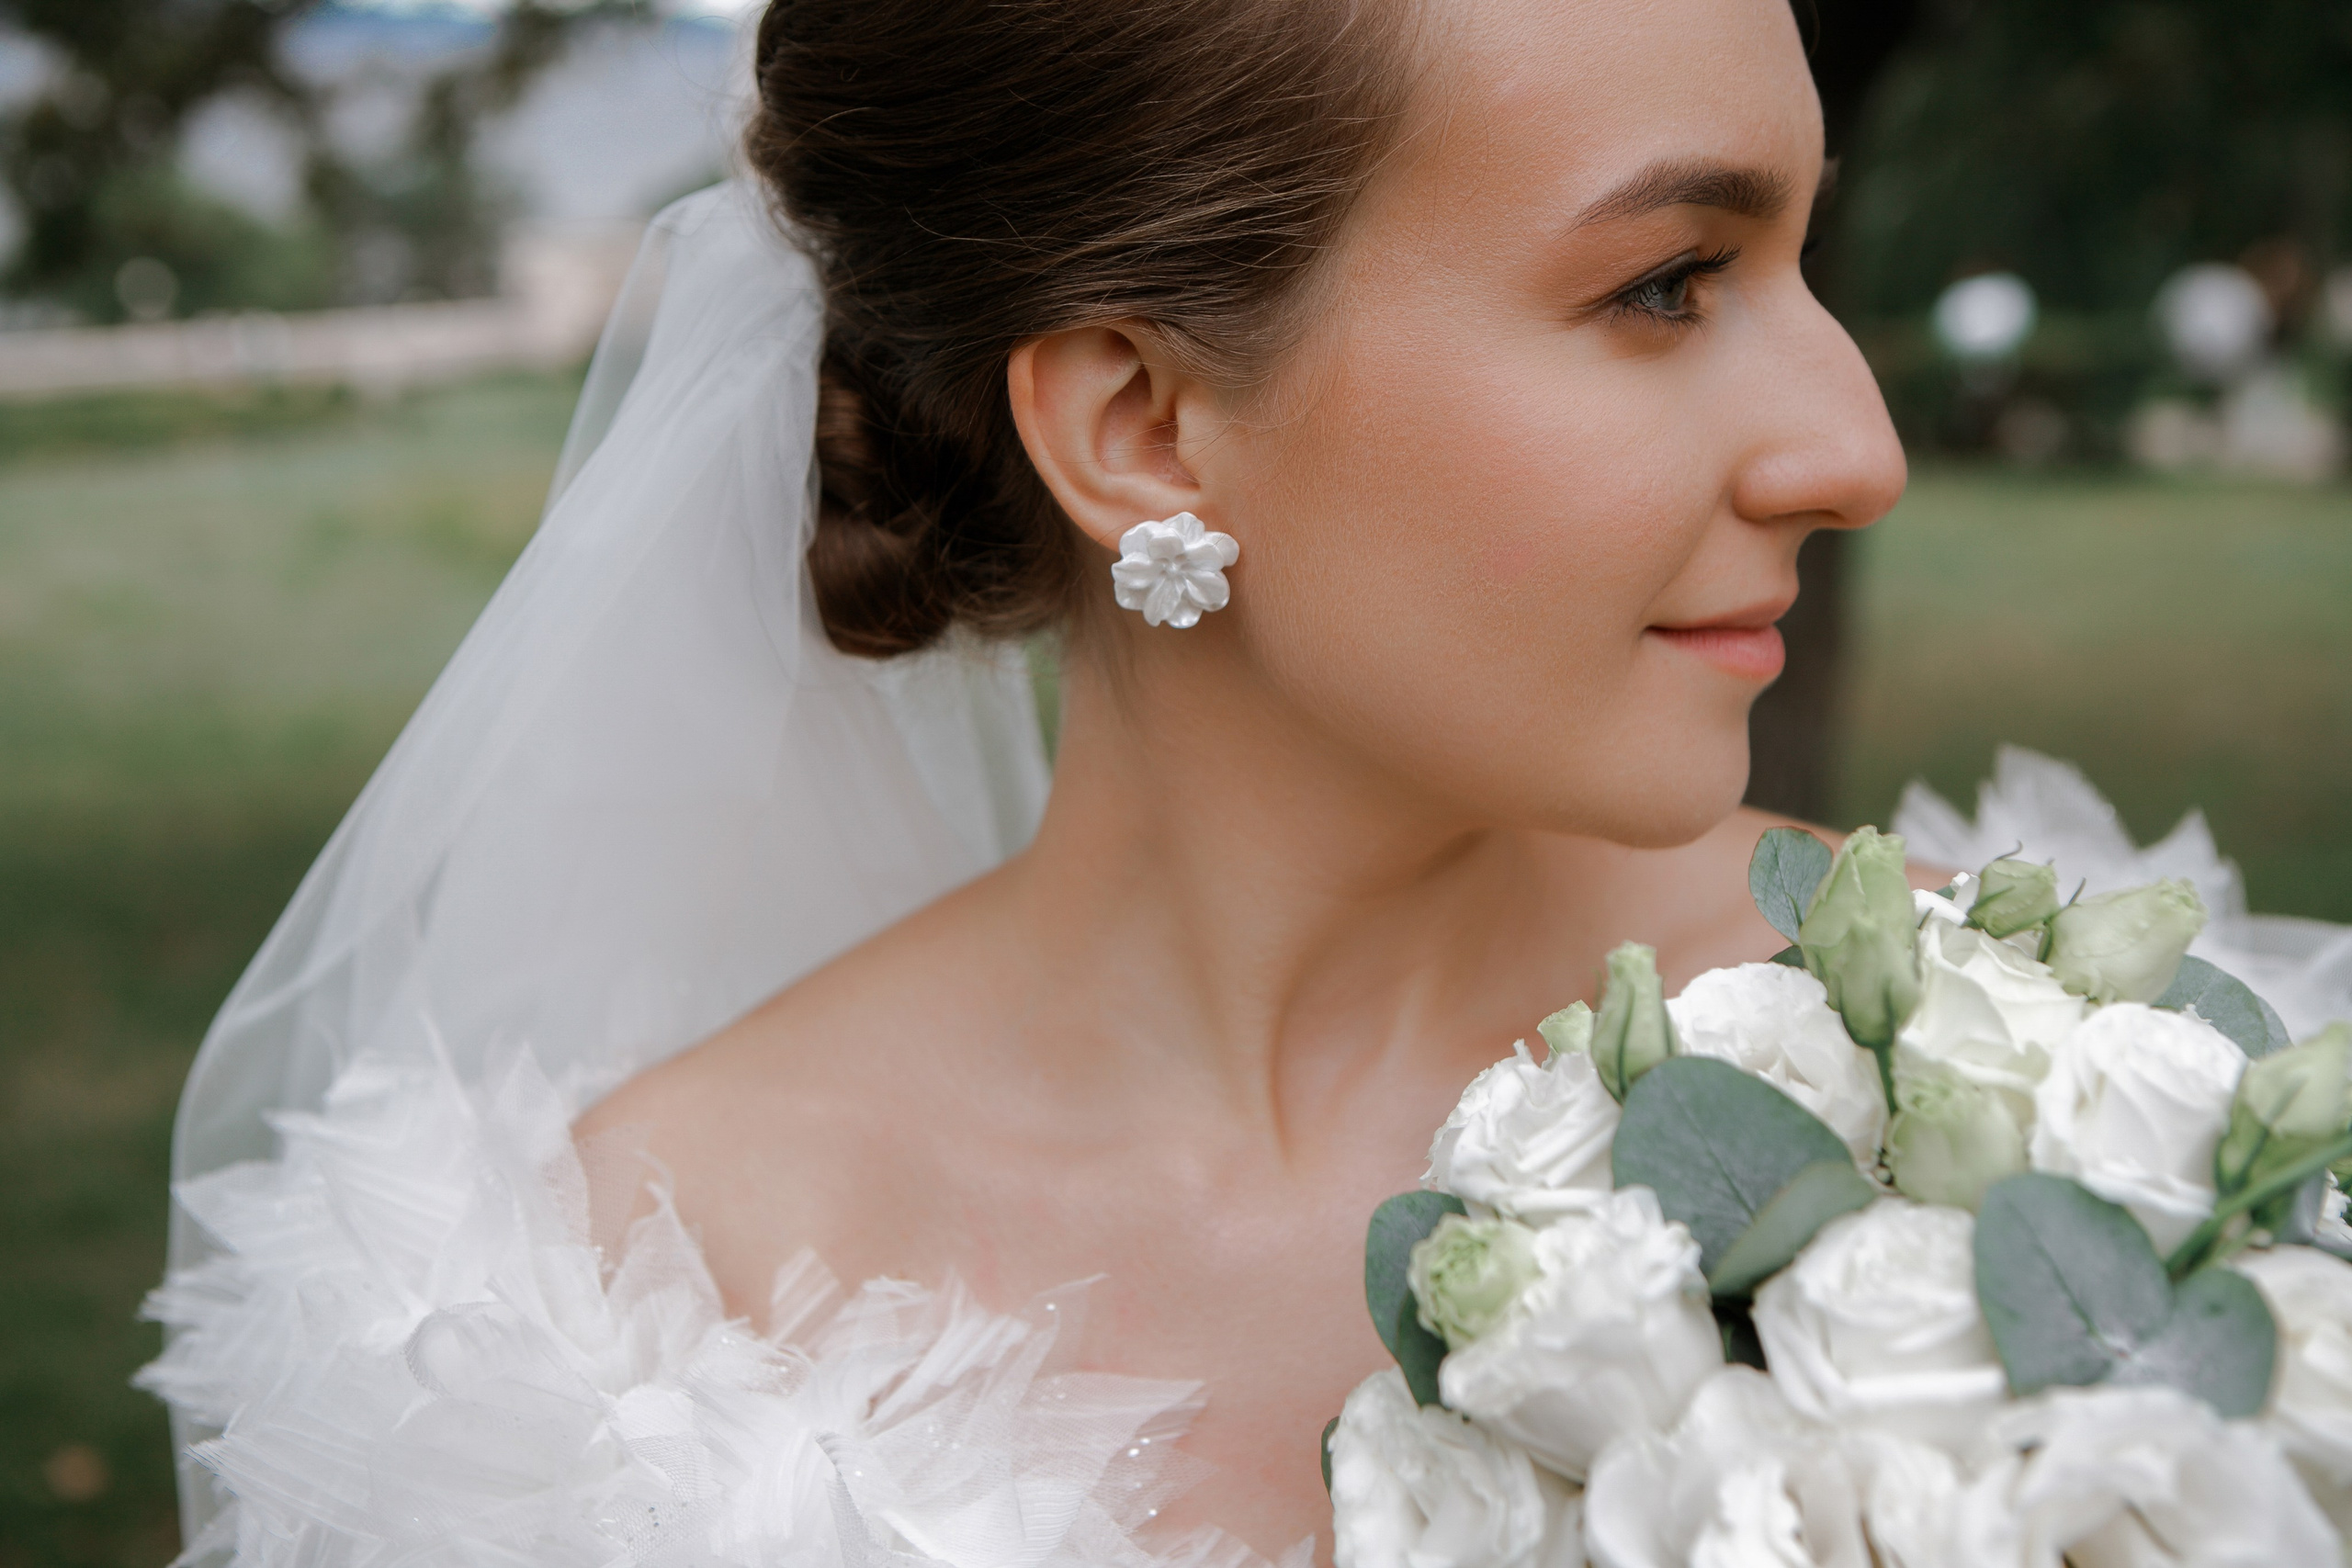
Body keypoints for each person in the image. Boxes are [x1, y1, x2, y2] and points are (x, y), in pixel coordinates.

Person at [155, 2, 2290, 1565]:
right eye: (1664, 282)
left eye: (1803, 259)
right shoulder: (587, 1332)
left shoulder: (2046, 1087)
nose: (1854, 447)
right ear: (1146, 428)